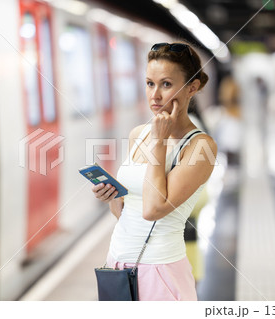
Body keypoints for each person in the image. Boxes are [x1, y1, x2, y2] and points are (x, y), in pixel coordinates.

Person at [92, 42, 217, 301]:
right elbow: (125, 213)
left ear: (192, 88)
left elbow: (153, 209)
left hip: (161, 271)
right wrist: (111, 195)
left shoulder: (200, 146)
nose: (155, 95)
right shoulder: (138, 134)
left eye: (166, 84)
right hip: (117, 264)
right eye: (150, 83)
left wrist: (159, 142)